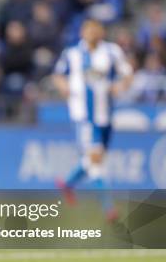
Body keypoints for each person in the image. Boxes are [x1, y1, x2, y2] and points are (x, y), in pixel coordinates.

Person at [53, 20, 133, 220]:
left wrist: (121, 86)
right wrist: (63, 86)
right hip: (83, 115)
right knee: (95, 159)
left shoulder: (112, 51)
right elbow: (58, 75)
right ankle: (109, 209)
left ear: (102, 32)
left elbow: (128, 73)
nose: (92, 33)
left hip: (105, 114)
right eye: (88, 30)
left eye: (96, 29)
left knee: (94, 159)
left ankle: (67, 183)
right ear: (82, 32)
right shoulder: (72, 54)